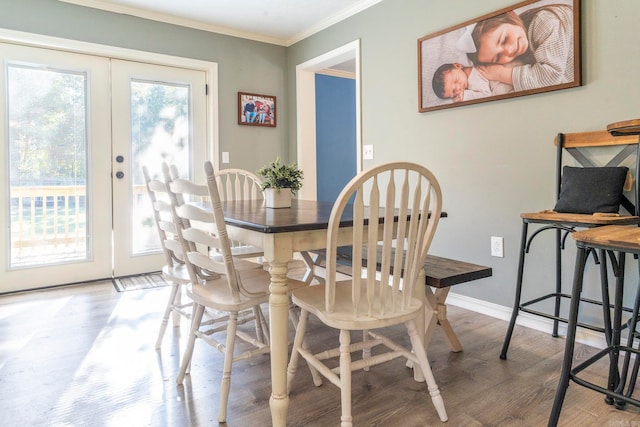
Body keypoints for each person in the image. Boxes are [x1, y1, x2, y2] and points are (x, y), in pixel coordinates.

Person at [462, 4, 573, 92]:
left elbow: (549, 77)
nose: (509, 51)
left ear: (511, 16)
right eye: (498, 57)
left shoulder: (544, 21)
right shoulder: (523, 51)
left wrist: (500, 73)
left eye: (504, 39)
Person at [432, 62, 513, 102]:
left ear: (457, 65)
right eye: (454, 92)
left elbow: (486, 95)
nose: (458, 88)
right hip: (507, 76)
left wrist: (465, 97)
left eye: (456, 80)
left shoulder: (472, 77)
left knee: (499, 91)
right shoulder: (468, 71)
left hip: (505, 79)